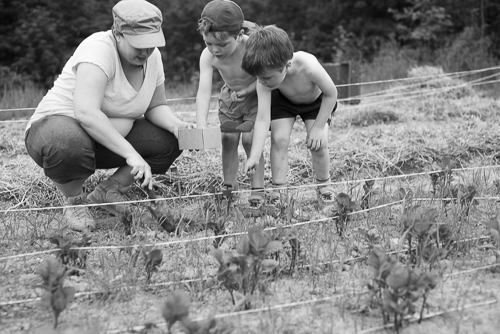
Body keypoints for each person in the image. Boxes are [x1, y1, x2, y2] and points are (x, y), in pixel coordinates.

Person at [24, 0, 194, 232]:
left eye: (151, 44)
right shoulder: (98, 50)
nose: (146, 51)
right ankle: (75, 201)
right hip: (55, 130)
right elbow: (86, 113)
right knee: (68, 142)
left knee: (170, 140)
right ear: (118, 34)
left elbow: (156, 106)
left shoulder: (152, 58)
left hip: (104, 141)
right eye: (139, 44)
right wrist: (131, 154)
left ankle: (107, 191)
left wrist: (178, 126)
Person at [241, 25, 338, 204]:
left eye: (266, 78)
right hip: (284, 101)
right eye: (259, 78)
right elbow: (262, 119)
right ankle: (279, 190)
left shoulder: (308, 66)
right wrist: (254, 155)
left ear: (287, 66)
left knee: (318, 143)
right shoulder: (265, 80)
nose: (261, 82)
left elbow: (331, 93)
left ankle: (324, 185)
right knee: (279, 139)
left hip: (316, 103)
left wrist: (317, 127)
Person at [196, 0, 265, 207]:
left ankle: (257, 190)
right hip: (230, 100)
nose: (215, 50)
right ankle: (229, 187)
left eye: (222, 44)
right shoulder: (208, 56)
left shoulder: (252, 47)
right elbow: (204, 91)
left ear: (238, 35)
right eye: (208, 43)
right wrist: (201, 126)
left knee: (250, 140)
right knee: (228, 139)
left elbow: (267, 78)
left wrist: (246, 90)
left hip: (255, 96)